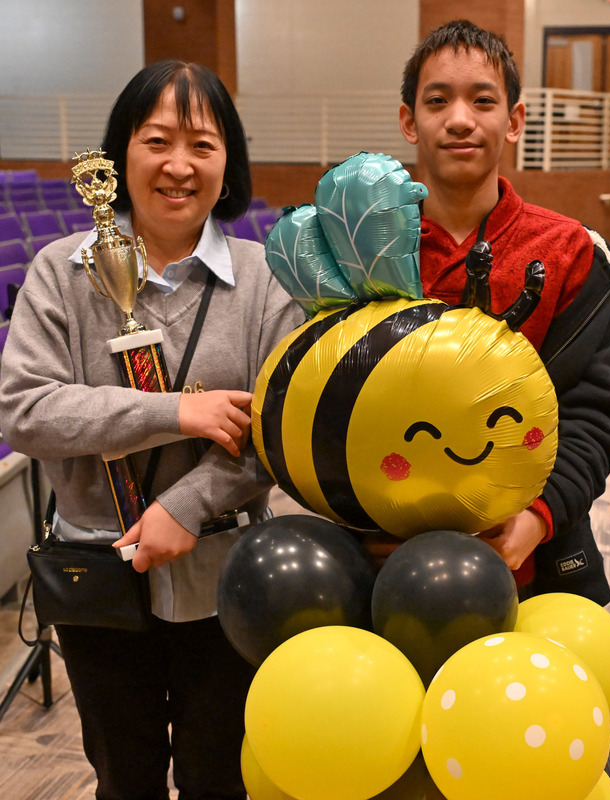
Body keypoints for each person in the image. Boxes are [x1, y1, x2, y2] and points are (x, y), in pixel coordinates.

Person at [0, 60, 303, 800]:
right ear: (120, 152)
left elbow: (277, 426)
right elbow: (26, 408)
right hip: (96, 574)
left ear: (228, 160)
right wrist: (176, 411)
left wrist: (184, 506)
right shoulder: (61, 272)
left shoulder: (267, 280)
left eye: (202, 144)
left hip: (225, 572)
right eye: (157, 140)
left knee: (219, 773)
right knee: (122, 773)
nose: (178, 165)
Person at [394, 19, 610, 605]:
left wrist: (536, 518)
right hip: (385, 554)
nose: (459, 119)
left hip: (530, 562)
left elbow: (594, 414)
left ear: (515, 121)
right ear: (408, 122)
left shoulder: (569, 251)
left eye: (482, 100)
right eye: (437, 100)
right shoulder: (363, 254)